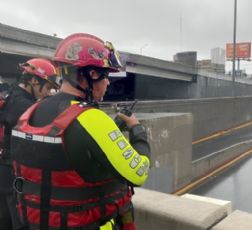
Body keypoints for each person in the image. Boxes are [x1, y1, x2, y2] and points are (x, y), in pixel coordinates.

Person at [10, 33, 150, 229]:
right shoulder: (92, 118)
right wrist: (137, 130)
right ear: (91, 74)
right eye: (106, 76)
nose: (108, 83)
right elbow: (139, 174)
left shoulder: (30, 110)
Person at [0, 58, 60, 230]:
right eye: (47, 87)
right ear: (33, 80)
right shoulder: (26, 107)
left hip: (2, 171)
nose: (49, 93)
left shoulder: (7, 95)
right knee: (21, 223)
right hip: (14, 175)